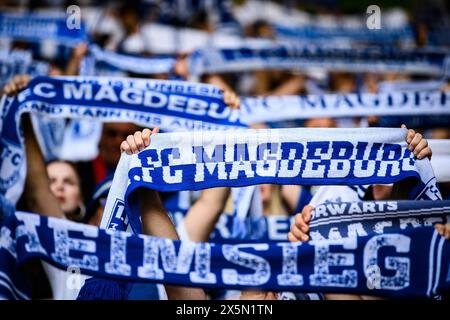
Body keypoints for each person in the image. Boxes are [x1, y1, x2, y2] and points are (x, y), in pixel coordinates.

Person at [288, 126, 436, 299]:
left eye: (390, 166)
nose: (378, 179)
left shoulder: (415, 242)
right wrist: (302, 233)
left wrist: (419, 168)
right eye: (374, 164)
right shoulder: (340, 195)